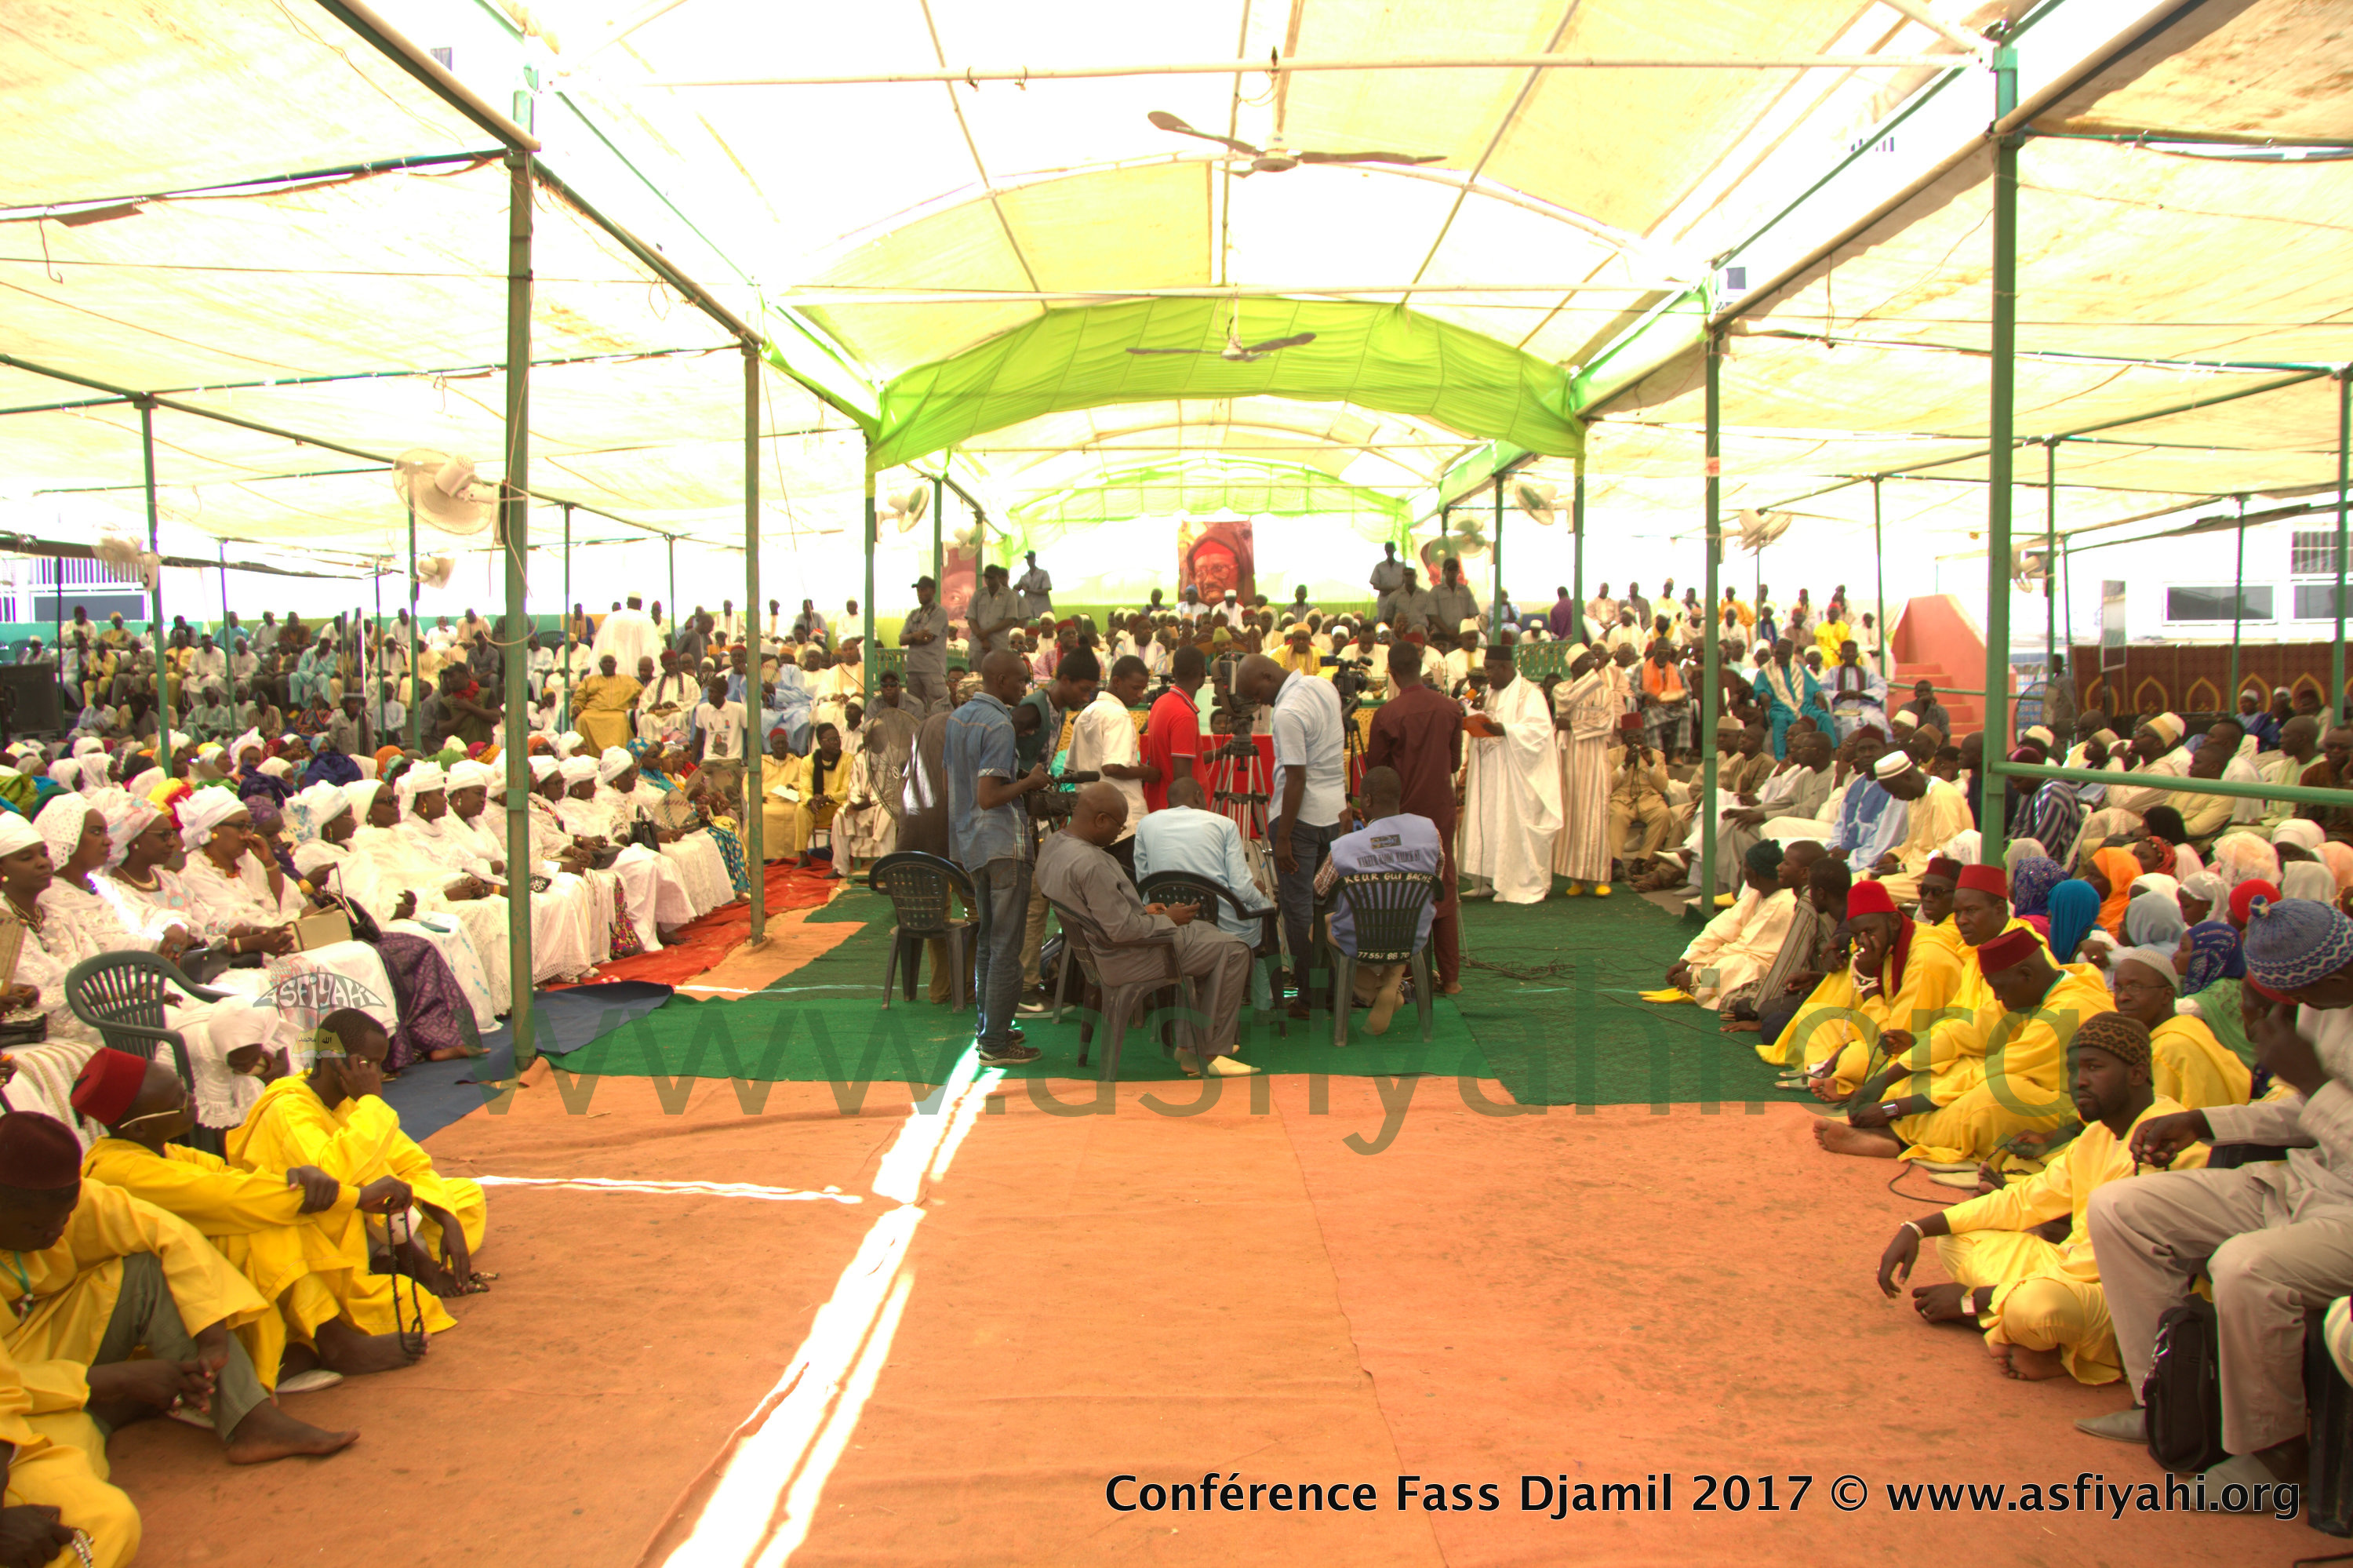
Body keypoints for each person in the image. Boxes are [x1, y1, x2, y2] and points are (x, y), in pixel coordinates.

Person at [2082, 897, 2353, 1501]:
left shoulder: (2323, 999)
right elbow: (2303, 1116)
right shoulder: (2323, 1004)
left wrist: (2312, 1080)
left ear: (2335, 976)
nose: (2298, 1008)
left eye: (2306, 993)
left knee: (2246, 1265)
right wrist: (2206, 1121)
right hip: (2307, 1182)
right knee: (2122, 1207)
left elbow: (2317, 1100)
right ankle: (2164, 1398)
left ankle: (2274, 1455)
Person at [0, 1110, 362, 1469]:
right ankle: (105, 1404)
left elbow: (171, 1235)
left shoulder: (88, 1198)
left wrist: (211, 1335)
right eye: (35, 1227)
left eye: (65, 1218)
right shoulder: (120, 1166)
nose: (56, 1232)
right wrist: (110, 1378)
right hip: (14, 1376)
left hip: (45, 1333)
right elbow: (223, 1199)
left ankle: (251, 1419)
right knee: (67, 1463)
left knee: (152, 1270)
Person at [1873, 1012, 2207, 1384]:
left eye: (2095, 1067)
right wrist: (1917, 1227)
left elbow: (2101, 1268)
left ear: (2136, 1072)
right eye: (2074, 1069)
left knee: (2037, 1306)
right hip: (2068, 1269)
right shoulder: (2100, 1133)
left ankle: (2039, 1339)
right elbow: (2026, 1199)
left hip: (2122, 1296)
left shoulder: (2167, 1140)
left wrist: (1973, 1300)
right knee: (1955, 1240)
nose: (2079, 1081)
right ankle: (2033, 1335)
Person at [74, 1049, 433, 1392]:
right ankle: (333, 1343)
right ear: (138, 1129)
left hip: (193, 1279)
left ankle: (312, 1345)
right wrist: (354, 1196)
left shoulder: (164, 1153)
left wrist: (294, 1179)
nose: (193, 1100)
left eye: (186, 1089)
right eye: (179, 1101)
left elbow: (233, 1180)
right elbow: (232, 1199)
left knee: (274, 1209)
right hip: (140, 1305)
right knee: (259, 1224)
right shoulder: (124, 1170)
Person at [231, 1009, 489, 1300]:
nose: (377, 1076)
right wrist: (370, 1100)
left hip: (373, 1225)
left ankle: (383, 1260)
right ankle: (412, 1263)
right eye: (369, 1064)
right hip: (319, 1230)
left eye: (379, 1065)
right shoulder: (288, 1108)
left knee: (465, 1198)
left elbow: (411, 1162)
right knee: (373, 1178)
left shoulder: (348, 1100)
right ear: (335, 1060)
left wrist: (447, 1219)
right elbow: (334, 1178)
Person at [1818, 921, 2108, 1168]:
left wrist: (1895, 1108)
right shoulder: (2036, 988)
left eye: (2000, 989)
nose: (1996, 999)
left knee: (1994, 1095)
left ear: (2026, 976)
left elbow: (1995, 1072)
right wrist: (1884, 1080)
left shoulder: (2066, 1011)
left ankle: (1894, 1140)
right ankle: (1900, 1127)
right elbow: (1962, 1033)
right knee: (1946, 1069)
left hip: (2074, 1114)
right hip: (2022, 1075)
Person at [1037, 783, 1256, 1076]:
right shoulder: (1092, 863)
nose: (1121, 831)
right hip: (1127, 956)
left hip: (1096, 952)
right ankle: (1205, 1053)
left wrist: (1144, 912)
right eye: (1119, 824)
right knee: (1234, 950)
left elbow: (1102, 914)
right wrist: (1169, 919)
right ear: (1100, 819)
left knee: (1208, 935)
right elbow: (1122, 930)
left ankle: (1192, 1045)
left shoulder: (1054, 845)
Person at [947, 652, 1050, 1066]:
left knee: (990, 942)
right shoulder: (999, 724)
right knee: (1006, 946)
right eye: (1022, 680)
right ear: (1002, 679)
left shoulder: (959, 719)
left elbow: (957, 786)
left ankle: (990, 1030)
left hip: (972, 843)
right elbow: (989, 797)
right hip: (1004, 844)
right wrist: (1031, 781)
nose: (1025, 688)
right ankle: (995, 1044)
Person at [1233, 652, 1346, 1018]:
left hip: (1299, 821)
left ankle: (1310, 996)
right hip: (1333, 813)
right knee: (1326, 906)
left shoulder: (1287, 712)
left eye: (1256, 693)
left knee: (1297, 911)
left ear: (1268, 674)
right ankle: (1332, 990)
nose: (1258, 703)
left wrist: (1283, 839)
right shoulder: (1324, 687)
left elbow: (1297, 777)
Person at [1311, 766, 1444, 1033]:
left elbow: (1320, 889)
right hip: (1413, 933)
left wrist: (1343, 836)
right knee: (1404, 913)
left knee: (1317, 928)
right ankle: (1392, 983)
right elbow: (1436, 879)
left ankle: (1375, 992)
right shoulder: (1430, 831)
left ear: (1368, 801)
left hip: (1362, 936)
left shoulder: (1348, 845)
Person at [1367, 640, 1466, 989]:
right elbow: (1454, 763)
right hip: (1440, 811)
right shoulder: (1450, 708)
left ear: (1391, 672)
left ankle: (1406, 977)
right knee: (1445, 884)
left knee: (1404, 890)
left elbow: (1377, 774)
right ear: (1421, 665)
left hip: (1403, 815)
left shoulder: (1387, 715)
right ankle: (1451, 979)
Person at [1459, 645, 1564, 904]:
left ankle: (1515, 882)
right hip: (1491, 772)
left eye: (1490, 669)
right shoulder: (1491, 692)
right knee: (1488, 820)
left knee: (1509, 823)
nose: (1487, 676)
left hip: (1517, 776)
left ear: (1505, 667)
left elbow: (1540, 733)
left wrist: (1503, 729)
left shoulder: (1530, 694)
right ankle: (1487, 879)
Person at [1132, 776, 1275, 959]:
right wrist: (1259, 896)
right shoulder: (1225, 824)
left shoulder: (1146, 824)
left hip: (1172, 923)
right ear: (1198, 796)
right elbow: (1242, 889)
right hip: (1225, 929)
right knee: (1265, 912)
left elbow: (1145, 884)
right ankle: (1264, 986)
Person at [1666, 841, 1796, 1009]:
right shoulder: (1757, 895)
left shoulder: (1784, 903)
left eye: (1745, 866)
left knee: (1734, 965)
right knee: (1702, 959)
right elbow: (1720, 929)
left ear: (1755, 874)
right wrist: (1686, 961)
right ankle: (1699, 983)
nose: (1741, 870)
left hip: (1762, 968)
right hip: (1742, 957)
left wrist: (1697, 977)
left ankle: (1698, 985)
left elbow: (1748, 950)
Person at [1067, 655, 1155, 879]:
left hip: (1092, 821)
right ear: (1116, 681)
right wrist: (1148, 772)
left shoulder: (1086, 713)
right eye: (1136, 688)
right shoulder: (1118, 714)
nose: (1140, 695)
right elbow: (1112, 767)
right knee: (1129, 893)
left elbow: (1070, 769)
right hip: (1123, 822)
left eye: (1143, 689)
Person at [1547, 646, 1617, 898]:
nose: (1593, 662)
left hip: (1594, 759)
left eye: (1594, 659)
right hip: (1569, 760)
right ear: (1574, 665)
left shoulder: (1605, 691)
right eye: (1587, 659)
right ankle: (1578, 878)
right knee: (1574, 817)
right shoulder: (1562, 688)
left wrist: (1574, 724)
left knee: (1594, 816)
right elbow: (1565, 702)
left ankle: (1600, 877)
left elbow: (1605, 723)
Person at [1140, 644, 1208, 814]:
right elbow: (1182, 777)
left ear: (1174, 672)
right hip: (1178, 813)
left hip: (1161, 806)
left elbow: (1181, 760)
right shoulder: (1184, 714)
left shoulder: (1161, 702)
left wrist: (1221, 752)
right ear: (1203, 673)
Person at [900, 574, 951, 715]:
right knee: (914, 710)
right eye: (918, 590)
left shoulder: (939, 612)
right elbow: (901, 639)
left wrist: (912, 637)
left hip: (932, 669)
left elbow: (926, 638)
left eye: (924, 590)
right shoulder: (913, 614)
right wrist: (916, 635)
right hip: (913, 669)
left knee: (939, 708)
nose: (920, 593)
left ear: (933, 591)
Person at [967, 564, 1020, 656]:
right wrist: (983, 639)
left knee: (998, 669)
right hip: (978, 643)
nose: (988, 580)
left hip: (999, 643)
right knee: (975, 670)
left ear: (999, 577)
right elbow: (971, 618)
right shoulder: (978, 594)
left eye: (991, 578)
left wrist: (987, 632)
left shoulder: (1009, 596)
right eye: (986, 577)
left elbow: (1009, 620)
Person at [1369, 544, 1408, 627]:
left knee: (1399, 623)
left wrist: (1394, 590)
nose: (1389, 552)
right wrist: (1391, 589)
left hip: (1399, 600)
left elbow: (1407, 582)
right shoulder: (1380, 566)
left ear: (1394, 550)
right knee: (1383, 624)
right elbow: (1375, 585)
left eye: (1391, 550)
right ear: (1385, 551)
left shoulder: (1402, 566)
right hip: (1384, 600)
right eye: (1387, 550)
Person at [1014, 552, 1054, 620]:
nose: (1030, 561)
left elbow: (1046, 590)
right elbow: (1015, 589)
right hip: (1029, 609)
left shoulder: (1043, 573)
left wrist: (1029, 590)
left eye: (1031, 559)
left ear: (1035, 559)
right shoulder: (1025, 576)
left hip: (1042, 608)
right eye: (1028, 560)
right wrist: (1019, 586)